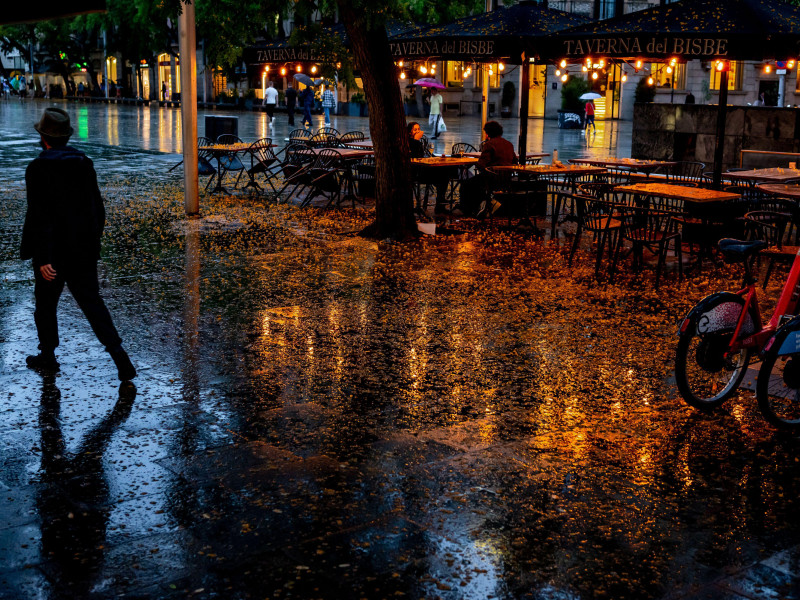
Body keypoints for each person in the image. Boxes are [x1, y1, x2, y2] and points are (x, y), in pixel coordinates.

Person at [21, 108, 136, 381]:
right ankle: (121, 358)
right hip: (82, 251)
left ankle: (48, 356)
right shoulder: (84, 163)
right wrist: (92, 244)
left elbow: (40, 215)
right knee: (92, 304)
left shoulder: (38, 168)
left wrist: (44, 256)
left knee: (46, 305)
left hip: (53, 255)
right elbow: (97, 209)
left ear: (44, 138)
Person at [458, 120, 517, 217]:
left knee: (466, 184)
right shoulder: (509, 144)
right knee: (475, 183)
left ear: (488, 133)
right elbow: (514, 161)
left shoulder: (489, 144)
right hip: (506, 178)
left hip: (492, 179)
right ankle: (484, 203)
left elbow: (481, 164)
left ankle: (467, 209)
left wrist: (479, 166)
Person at [407, 121, 450, 214]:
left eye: (418, 129)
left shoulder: (418, 142)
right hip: (414, 172)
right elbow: (416, 157)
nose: (418, 131)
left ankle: (440, 203)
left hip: (422, 169)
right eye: (415, 130)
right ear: (410, 132)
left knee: (444, 173)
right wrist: (415, 141)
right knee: (442, 176)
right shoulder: (409, 142)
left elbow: (425, 155)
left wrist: (437, 158)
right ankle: (440, 202)